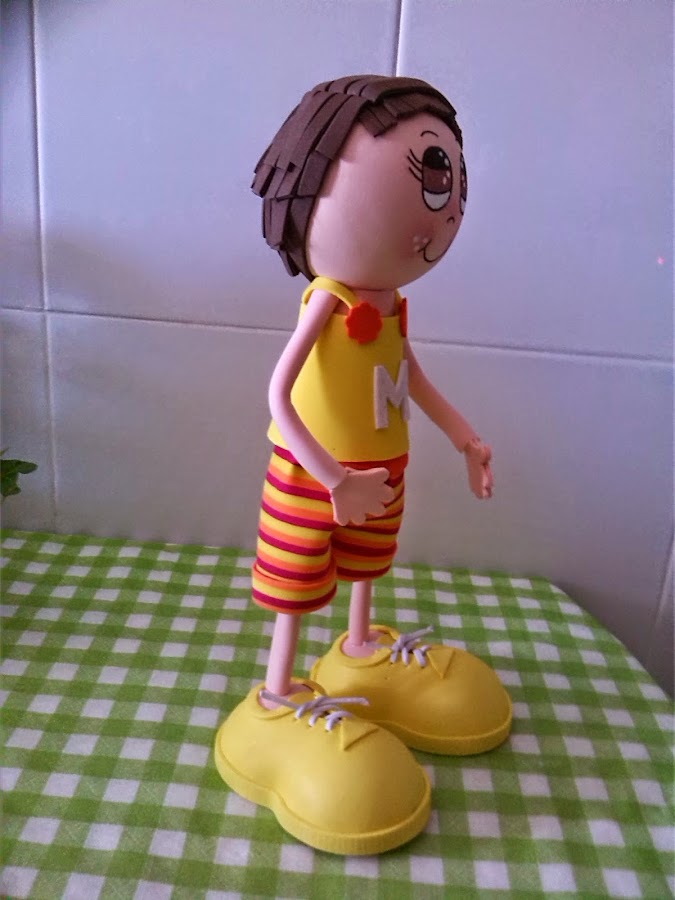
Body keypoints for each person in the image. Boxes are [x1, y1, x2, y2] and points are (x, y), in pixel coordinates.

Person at [215, 75, 511, 855]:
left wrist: (464, 438)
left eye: (451, 182)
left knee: (367, 566)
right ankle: (278, 694)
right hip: (314, 477)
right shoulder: (329, 302)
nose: (444, 210)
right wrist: (331, 479)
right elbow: (279, 396)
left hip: (380, 471)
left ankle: (358, 650)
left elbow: (412, 377)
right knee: (293, 586)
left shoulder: (393, 306)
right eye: (432, 178)